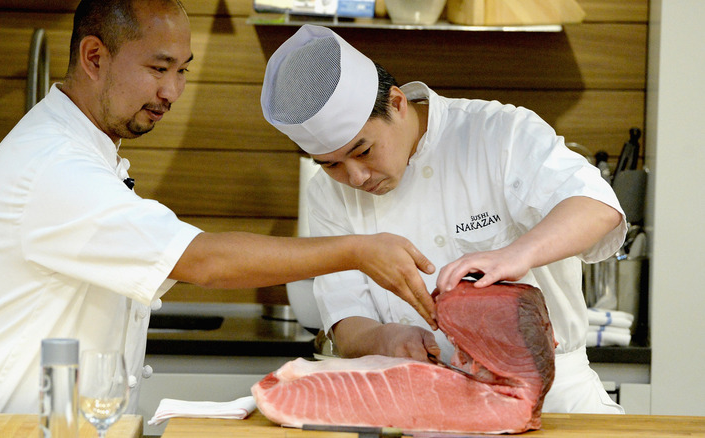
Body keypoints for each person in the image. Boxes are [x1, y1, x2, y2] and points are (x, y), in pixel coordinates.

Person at [0, 2, 439, 414]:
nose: (172, 91)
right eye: (158, 68)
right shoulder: (53, 163)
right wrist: (358, 250)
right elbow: (204, 261)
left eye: (182, 70)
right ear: (94, 57)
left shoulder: (83, 151)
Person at [260, 24, 627, 414]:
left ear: (397, 103)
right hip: (421, 401)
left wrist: (515, 255)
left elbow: (597, 206)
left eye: (363, 151)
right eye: (331, 164)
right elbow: (347, 320)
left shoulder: (497, 133)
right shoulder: (325, 194)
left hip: (553, 401)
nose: (356, 177)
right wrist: (386, 339)